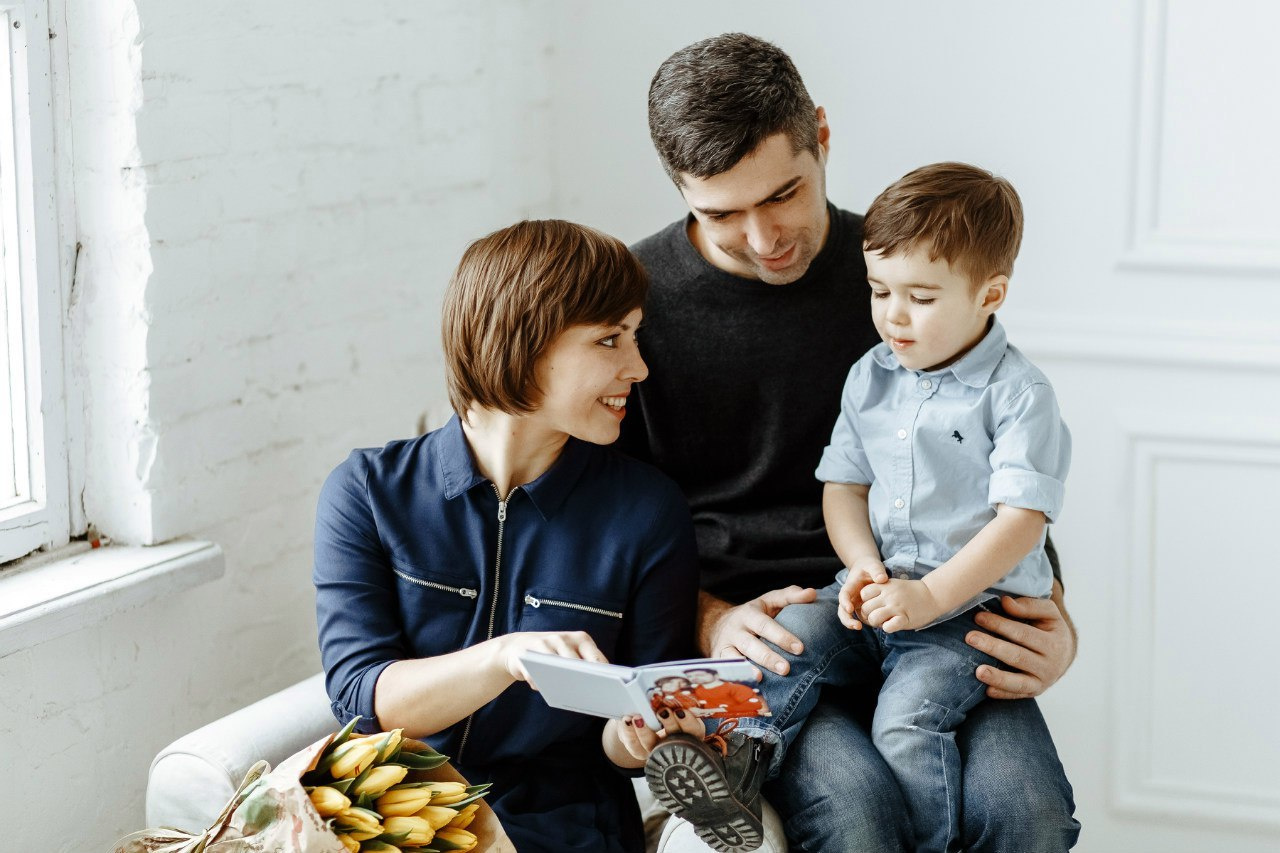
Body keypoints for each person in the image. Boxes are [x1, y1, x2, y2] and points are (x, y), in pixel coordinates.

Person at [621, 33, 1081, 852]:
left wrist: (1059, 622)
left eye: (784, 194)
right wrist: (706, 617)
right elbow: (604, 527)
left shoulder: (907, 273)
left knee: (1027, 810)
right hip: (783, 638)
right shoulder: (632, 309)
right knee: (861, 813)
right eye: (721, 213)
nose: (764, 238)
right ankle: (728, 752)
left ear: (822, 137)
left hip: (946, 612)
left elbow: (1001, 458)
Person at [313, 220, 706, 853]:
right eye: (609, 340)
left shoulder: (647, 512)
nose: (638, 367)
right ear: (523, 344)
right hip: (395, 814)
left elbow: (622, 730)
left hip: (564, 824)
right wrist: (506, 658)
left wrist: (638, 737)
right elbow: (363, 702)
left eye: (635, 337)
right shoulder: (368, 492)